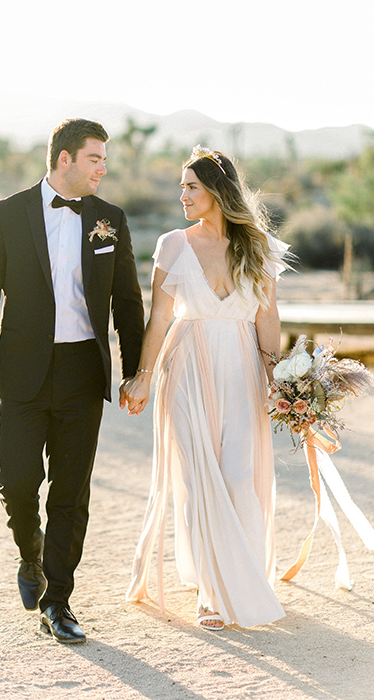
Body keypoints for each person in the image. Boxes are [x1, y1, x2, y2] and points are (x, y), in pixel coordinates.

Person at [0, 118, 144, 643]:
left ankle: (58, 600)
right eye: (94, 159)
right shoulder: (7, 214)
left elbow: (128, 302)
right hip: (21, 372)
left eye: (105, 160)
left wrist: (135, 372)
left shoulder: (110, 219)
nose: (103, 169)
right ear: (64, 159)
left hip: (82, 374)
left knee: (71, 491)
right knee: (17, 481)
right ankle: (30, 552)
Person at [123, 145, 289, 630]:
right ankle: (211, 594)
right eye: (182, 186)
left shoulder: (257, 245)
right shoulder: (173, 244)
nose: (183, 195)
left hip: (241, 367)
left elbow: (268, 315)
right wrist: (143, 375)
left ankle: (240, 574)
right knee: (197, 481)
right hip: (188, 364)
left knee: (237, 475)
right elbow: (159, 319)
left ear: (217, 192)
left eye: (191, 186)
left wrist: (277, 378)